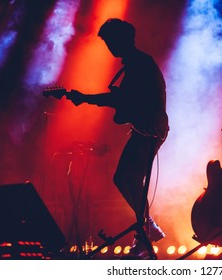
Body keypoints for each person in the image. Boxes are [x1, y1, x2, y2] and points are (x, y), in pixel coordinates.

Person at [67, 18, 169, 258]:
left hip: (149, 130)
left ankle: (146, 231)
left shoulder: (139, 63)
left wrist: (85, 98)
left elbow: (124, 100)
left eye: (111, 41)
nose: (109, 47)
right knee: (125, 179)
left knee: (126, 178)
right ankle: (145, 230)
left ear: (122, 39)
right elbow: (127, 101)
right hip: (147, 129)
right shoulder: (135, 63)